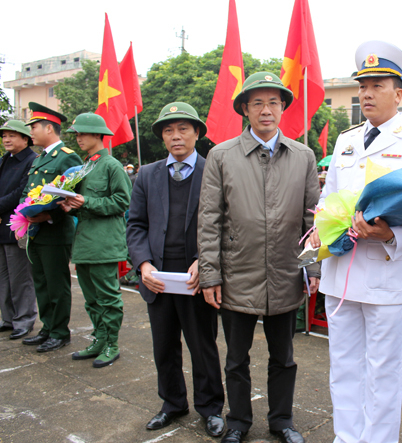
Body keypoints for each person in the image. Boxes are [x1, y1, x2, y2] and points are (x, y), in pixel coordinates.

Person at [307, 41, 402, 443]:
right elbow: (327, 198)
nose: (366, 93)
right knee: (343, 367)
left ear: (399, 92)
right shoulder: (345, 140)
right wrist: (321, 225)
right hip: (340, 273)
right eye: (362, 85)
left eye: (377, 84)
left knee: (382, 374)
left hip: (384, 273)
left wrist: (392, 234)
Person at [198, 72, 319, 443]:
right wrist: (210, 275)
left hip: (285, 272)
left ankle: (282, 421)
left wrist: (312, 267)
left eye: (273, 102)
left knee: (284, 357)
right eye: (257, 103)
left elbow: (313, 219)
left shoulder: (303, 156)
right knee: (236, 358)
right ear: (245, 109)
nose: (266, 110)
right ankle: (237, 422)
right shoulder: (221, 155)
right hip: (237, 273)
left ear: (283, 108)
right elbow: (209, 219)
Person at [126, 102, 225, 438]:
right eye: (168, 130)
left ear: (197, 133)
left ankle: (211, 408)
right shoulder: (147, 174)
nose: (175, 136)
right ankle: (171, 403)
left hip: (197, 277)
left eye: (183, 128)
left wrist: (206, 261)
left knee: (203, 345)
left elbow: (226, 224)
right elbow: (136, 224)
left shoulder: (213, 170)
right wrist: (143, 264)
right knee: (164, 346)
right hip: (158, 278)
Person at [58, 113, 132, 368]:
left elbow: (123, 202)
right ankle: (99, 339)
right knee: (91, 298)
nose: (78, 138)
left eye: (82, 133)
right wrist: (72, 206)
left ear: (98, 135)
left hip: (104, 242)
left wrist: (86, 202)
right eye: (76, 134)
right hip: (86, 241)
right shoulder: (86, 165)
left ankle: (112, 343)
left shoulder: (111, 165)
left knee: (108, 296)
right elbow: (85, 205)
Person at [21, 102, 83, 352]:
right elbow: (29, 193)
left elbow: (72, 196)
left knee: (57, 284)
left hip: (55, 231)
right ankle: (47, 327)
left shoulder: (67, 157)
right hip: (36, 232)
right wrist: (24, 214)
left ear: (49, 128)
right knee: (42, 283)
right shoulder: (40, 159)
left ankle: (59, 332)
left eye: (34, 127)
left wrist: (47, 216)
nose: (31, 132)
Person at [0, 120, 38, 339]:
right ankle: (8, 318)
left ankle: (24, 320)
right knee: (3, 277)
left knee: (20, 277)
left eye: (12, 135)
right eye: (4, 135)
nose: (6, 139)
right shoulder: (5, 160)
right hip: (1, 225)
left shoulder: (31, 161)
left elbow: (20, 193)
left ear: (25, 139)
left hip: (16, 225)